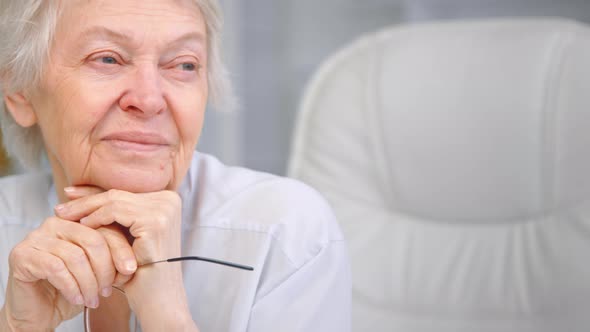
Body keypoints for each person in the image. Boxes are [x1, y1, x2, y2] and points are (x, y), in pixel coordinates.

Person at [0, 0, 351, 331]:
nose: (149, 100)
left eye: (184, 64)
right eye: (107, 59)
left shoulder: (286, 234)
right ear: (20, 90)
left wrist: (168, 321)